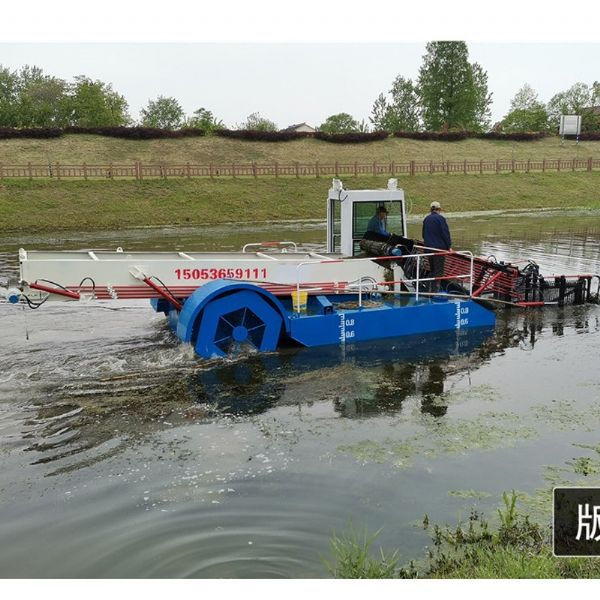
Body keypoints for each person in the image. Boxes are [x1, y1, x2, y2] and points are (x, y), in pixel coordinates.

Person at [422, 201, 452, 291]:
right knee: (439, 271)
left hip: (428, 248)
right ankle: (436, 290)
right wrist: (449, 246)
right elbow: (445, 234)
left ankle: (429, 288)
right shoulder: (440, 219)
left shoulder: (426, 219)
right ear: (439, 209)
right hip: (439, 250)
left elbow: (423, 235)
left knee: (432, 269)